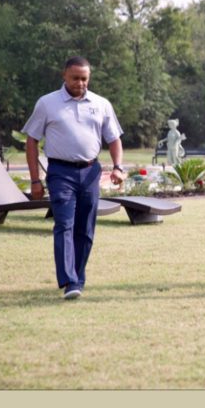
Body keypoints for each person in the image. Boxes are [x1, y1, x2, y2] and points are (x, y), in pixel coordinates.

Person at [22, 56, 125, 299]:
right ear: (64, 76)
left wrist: (118, 167)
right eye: (75, 78)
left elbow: (114, 139)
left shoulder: (101, 104)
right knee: (64, 225)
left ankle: (77, 280)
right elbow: (31, 141)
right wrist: (35, 180)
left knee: (85, 229)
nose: (80, 83)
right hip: (60, 172)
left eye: (84, 78)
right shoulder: (47, 103)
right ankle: (69, 280)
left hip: (90, 172)